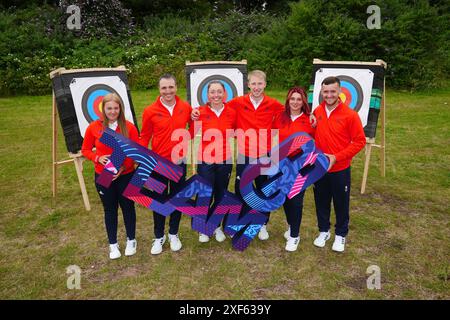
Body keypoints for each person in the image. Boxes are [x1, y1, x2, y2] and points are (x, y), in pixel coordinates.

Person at [81, 93, 139, 260]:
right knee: (110, 209)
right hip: (104, 174)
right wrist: (97, 158)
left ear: (120, 108)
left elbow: (135, 153)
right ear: (103, 109)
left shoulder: (129, 127)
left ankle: (131, 240)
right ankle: (113, 244)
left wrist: (124, 166)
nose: (113, 111)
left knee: (128, 207)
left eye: (116, 108)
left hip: (126, 174)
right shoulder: (94, 127)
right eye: (109, 108)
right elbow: (85, 150)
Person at [312, 76, 366, 252]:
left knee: (341, 202)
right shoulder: (317, 111)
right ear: (321, 92)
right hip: (319, 168)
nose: (329, 95)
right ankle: (323, 231)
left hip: (340, 168)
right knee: (321, 200)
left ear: (340, 92)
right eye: (326, 91)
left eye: (333, 91)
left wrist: (337, 157)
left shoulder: (350, 115)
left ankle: (341, 235)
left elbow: (359, 142)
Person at [140, 73, 192, 255]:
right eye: (164, 88)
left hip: (179, 162)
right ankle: (158, 236)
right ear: (159, 89)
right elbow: (145, 136)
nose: (168, 91)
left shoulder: (185, 107)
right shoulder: (150, 111)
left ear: (176, 87)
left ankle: (174, 233)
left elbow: (192, 128)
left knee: (177, 199)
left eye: (171, 87)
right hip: (158, 163)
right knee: (159, 200)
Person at [189, 80, 237, 243]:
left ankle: (216, 226)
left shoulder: (231, 112)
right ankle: (203, 227)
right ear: (207, 95)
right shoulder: (199, 112)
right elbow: (190, 133)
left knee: (220, 194)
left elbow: (237, 131)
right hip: (206, 160)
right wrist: (192, 118)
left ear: (224, 94)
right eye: (212, 92)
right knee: (205, 195)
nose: (216, 95)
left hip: (225, 159)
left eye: (219, 92)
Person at [272, 86, 315, 251]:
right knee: (285, 197)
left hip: (301, 165)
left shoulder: (310, 120)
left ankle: (295, 236)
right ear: (288, 101)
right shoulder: (280, 118)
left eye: (299, 99)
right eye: (292, 99)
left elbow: (315, 144)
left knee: (296, 200)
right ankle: (291, 226)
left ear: (303, 101)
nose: (295, 102)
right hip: (282, 164)